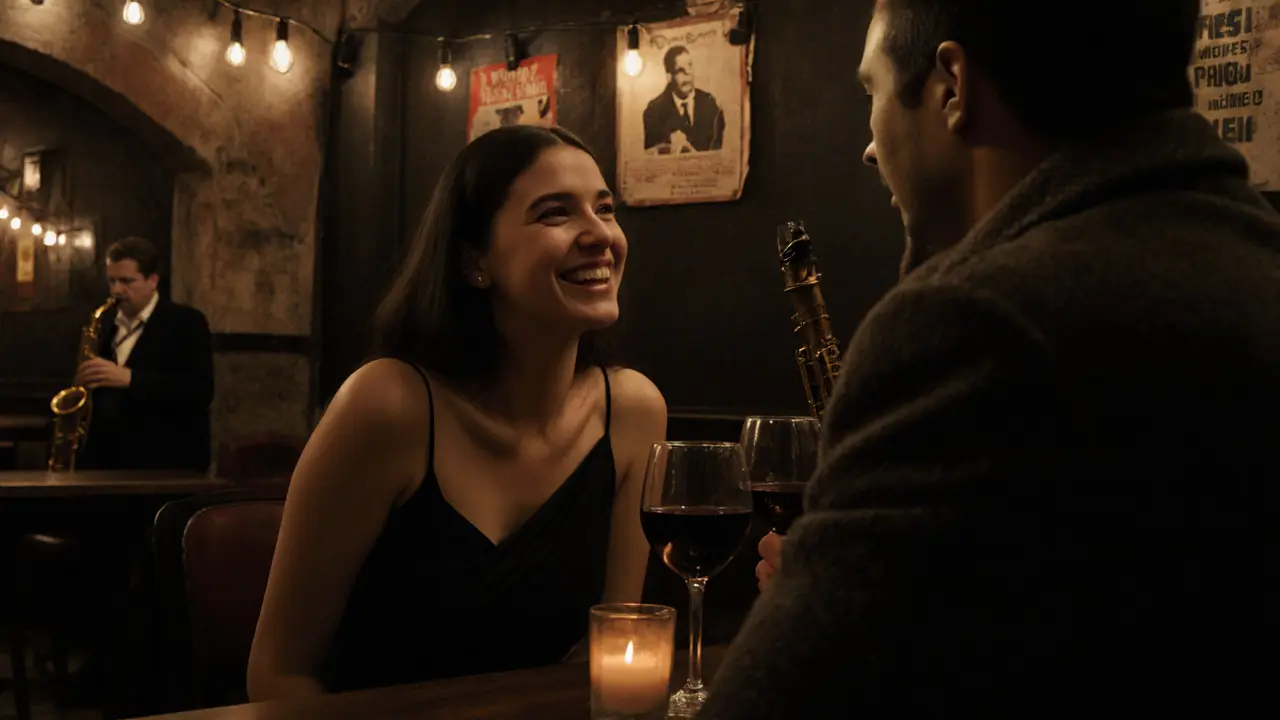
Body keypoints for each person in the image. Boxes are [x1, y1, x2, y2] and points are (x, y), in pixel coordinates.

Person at [703, 0, 1280, 716]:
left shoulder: (973, 325)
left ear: (952, 87)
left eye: (872, 90)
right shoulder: (1255, 259)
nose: (871, 148)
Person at [246, 125, 668, 699]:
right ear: (475, 262)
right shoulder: (388, 405)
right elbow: (279, 674)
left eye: (605, 209)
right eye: (555, 213)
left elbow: (607, 651)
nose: (600, 235)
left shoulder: (633, 412)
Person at [76, 236, 214, 472]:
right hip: (107, 462)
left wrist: (130, 379)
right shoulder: (104, 323)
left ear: (153, 281)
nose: (117, 290)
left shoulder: (186, 322)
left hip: (164, 461)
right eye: (112, 281)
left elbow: (200, 390)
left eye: (127, 281)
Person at [642, 45, 725, 153]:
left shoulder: (709, 104)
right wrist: (668, 147)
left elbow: (717, 151)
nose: (688, 74)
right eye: (680, 70)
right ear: (669, 76)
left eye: (690, 66)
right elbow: (651, 156)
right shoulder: (654, 111)